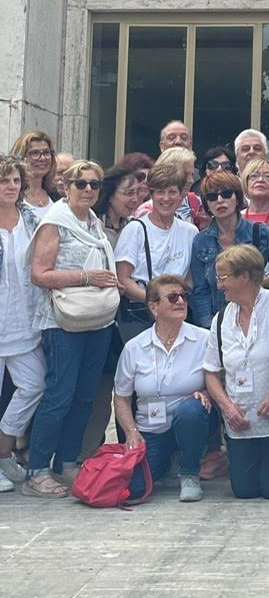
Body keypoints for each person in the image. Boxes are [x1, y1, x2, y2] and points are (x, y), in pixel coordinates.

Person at [25, 160, 119, 497]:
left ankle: (66, 462)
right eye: (81, 184)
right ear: (66, 186)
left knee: (84, 397)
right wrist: (86, 277)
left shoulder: (94, 223)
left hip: (97, 320)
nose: (89, 190)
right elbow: (39, 273)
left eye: (95, 184)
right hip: (62, 321)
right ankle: (36, 469)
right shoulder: (55, 222)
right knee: (59, 395)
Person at [203, 244, 269, 500]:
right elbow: (211, 372)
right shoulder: (220, 320)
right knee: (244, 491)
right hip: (239, 425)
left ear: (244, 277)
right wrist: (226, 408)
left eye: (223, 278)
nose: (219, 285)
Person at [114, 273, 211, 502]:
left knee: (191, 411)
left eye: (183, 296)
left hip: (187, 423)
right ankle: (166, 463)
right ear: (154, 308)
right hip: (150, 429)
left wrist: (207, 392)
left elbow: (219, 380)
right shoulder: (134, 347)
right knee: (134, 489)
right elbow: (121, 398)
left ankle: (189, 473)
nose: (181, 301)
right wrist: (131, 432)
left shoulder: (204, 339)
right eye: (172, 297)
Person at [80, 165, 142, 457]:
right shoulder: (94, 226)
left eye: (136, 193)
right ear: (110, 194)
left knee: (129, 387)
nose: (133, 198)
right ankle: (85, 454)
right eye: (127, 193)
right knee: (99, 392)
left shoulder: (134, 225)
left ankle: (127, 450)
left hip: (127, 318)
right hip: (98, 316)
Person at [115, 162, 198, 341]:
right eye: (160, 192)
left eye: (172, 192)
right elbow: (123, 278)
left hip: (177, 314)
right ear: (151, 195)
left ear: (181, 194)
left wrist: (175, 301)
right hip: (140, 315)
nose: (166, 198)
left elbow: (190, 279)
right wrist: (156, 302)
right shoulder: (135, 229)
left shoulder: (190, 231)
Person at [0, 156, 43, 490]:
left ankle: (3, 452)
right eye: (4, 181)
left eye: (15, 180)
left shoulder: (31, 218)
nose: (11, 187)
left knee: (35, 384)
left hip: (24, 320)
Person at [191, 169, 269, 329]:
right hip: (216, 323)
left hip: (259, 320)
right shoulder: (200, 241)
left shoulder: (260, 232)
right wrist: (210, 327)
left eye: (226, 194)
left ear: (237, 197)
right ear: (206, 204)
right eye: (212, 197)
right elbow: (200, 291)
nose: (220, 200)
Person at [12, 131, 58, 217]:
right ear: (21, 157)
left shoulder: (56, 196)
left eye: (46, 152)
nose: (42, 158)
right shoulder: (11, 194)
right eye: (35, 153)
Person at [241, 157, 269, 227]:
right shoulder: (237, 219)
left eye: (268, 176)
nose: (260, 180)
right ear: (246, 182)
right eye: (254, 175)